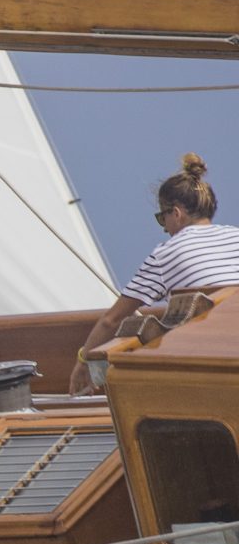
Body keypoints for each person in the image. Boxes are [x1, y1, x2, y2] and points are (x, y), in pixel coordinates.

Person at [70, 153, 239, 395]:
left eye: (162, 218)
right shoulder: (235, 236)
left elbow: (112, 320)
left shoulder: (166, 253)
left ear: (176, 214)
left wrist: (83, 361)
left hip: (212, 363)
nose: (164, 229)